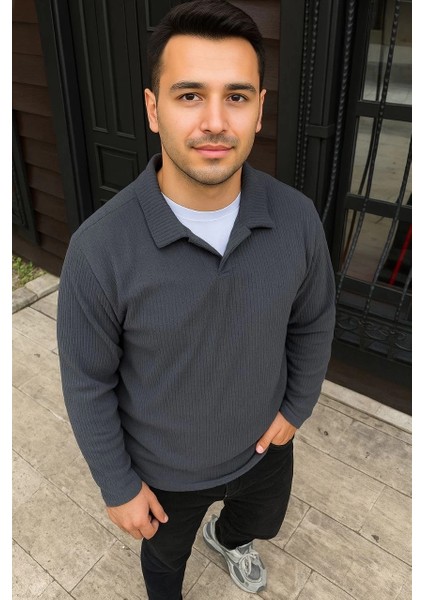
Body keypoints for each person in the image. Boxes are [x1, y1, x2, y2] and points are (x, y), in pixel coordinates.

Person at [57, 1, 336, 598]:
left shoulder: (296, 219)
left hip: (264, 447)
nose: (214, 121)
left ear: (259, 109)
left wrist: (297, 408)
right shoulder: (99, 248)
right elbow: (86, 381)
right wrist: (117, 484)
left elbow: (313, 320)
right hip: (164, 472)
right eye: (189, 95)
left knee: (256, 523)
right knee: (164, 565)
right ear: (153, 109)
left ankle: (229, 539)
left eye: (236, 96)